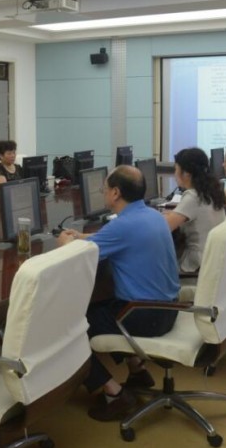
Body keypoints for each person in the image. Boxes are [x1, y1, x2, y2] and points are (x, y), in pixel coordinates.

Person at [56, 165, 180, 422]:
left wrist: (66, 243)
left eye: (104, 189)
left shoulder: (123, 226)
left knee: (68, 328)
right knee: (99, 308)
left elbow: (76, 257)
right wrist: (82, 236)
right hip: (167, 308)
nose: (103, 193)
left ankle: (114, 392)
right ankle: (138, 370)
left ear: (115, 193)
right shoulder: (152, 215)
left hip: (145, 315)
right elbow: (115, 236)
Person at [164, 148, 226, 274]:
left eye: (176, 169)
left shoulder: (193, 197)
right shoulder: (210, 192)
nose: (175, 174)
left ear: (186, 173)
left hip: (195, 267)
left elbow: (163, 227)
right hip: (212, 261)